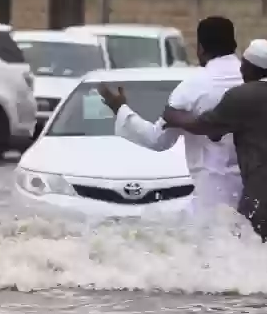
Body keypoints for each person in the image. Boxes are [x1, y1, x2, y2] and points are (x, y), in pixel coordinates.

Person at [162, 40, 267, 242]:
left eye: (243, 65)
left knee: (258, 257)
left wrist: (173, 116)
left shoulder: (242, 96)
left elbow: (206, 128)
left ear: (251, 69)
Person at [96, 16, 244, 213]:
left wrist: (120, 109)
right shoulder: (255, 80)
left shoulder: (192, 88)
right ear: (233, 44)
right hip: (255, 195)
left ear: (200, 48)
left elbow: (157, 140)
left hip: (211, 199)